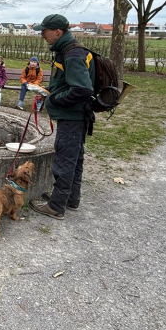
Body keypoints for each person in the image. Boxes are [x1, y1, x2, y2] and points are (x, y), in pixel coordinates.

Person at [28, 14, 95, 220]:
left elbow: (82, 89)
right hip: (75, 115)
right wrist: (50, 91)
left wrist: (55, 100)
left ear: (58, 32)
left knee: (65, 160)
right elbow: (69, 84)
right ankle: (70, 198)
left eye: (44, 31)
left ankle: (56, 206)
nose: (42, 36)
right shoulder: (66, 50)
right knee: (75, 158)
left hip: (72, 116)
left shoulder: (72, 54)